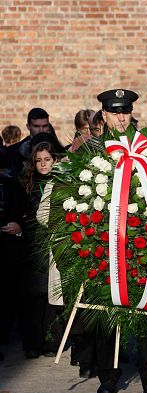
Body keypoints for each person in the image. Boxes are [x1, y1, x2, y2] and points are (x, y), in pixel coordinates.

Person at [86, 89, 147, 393]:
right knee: (106, 307)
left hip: (141, 241)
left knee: (146, 307)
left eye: (126, 111)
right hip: (105, 243)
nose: (122, 117)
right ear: (105, 115)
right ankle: (107, 377)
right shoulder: (94, 150)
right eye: (115, 111)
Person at [19, 141, 64, 359]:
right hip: (31, 243)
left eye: (47, 160)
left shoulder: (61, 182)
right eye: (38, 161)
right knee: (33, 295)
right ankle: (32, 343)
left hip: (53, 242)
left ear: (55, 160)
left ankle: (50, 341)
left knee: (50, 295)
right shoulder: (27, 184)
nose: (43, 165)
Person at [0, 154, 30, 362]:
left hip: (8, 254)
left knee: (9, 298)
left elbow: (28, 214)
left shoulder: (11, 186)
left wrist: (19, 227)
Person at [4, 108, 53, 177]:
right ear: (28, 126)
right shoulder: (12, 151)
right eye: (36, 126)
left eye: (44, 126)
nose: (41, 130)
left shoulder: (57, 150)